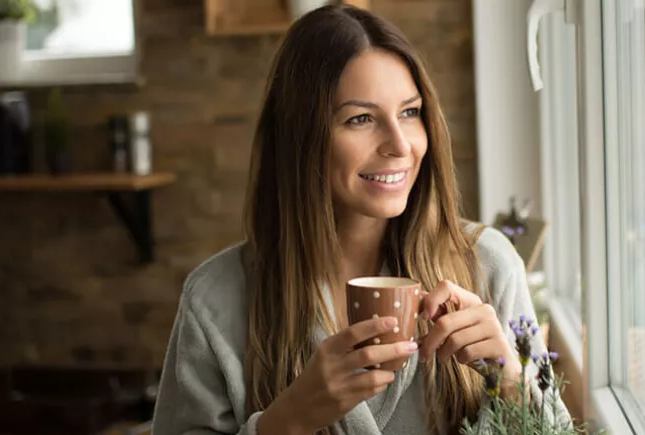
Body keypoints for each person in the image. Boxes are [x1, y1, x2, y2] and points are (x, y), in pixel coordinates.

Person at [151, 5, 567, 434]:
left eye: (409, 112)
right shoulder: (216, 300)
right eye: (360, 119)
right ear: (301, 138)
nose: (400, 144)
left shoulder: (488, 264)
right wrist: (284, 423)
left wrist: (512, 383)